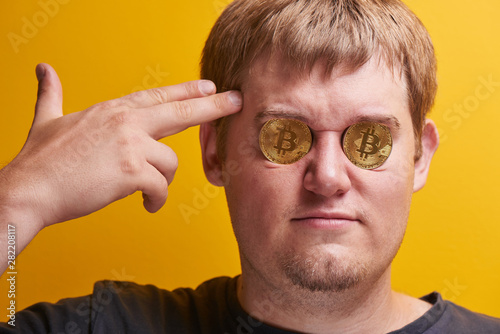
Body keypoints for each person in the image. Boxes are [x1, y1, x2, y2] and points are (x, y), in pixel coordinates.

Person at [1, 0, 499, 332]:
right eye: (283, 136)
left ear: (420, 157)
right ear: (215, 152)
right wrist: (17, 201)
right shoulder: (104, 327)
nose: (327, 177)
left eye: (369, 140)